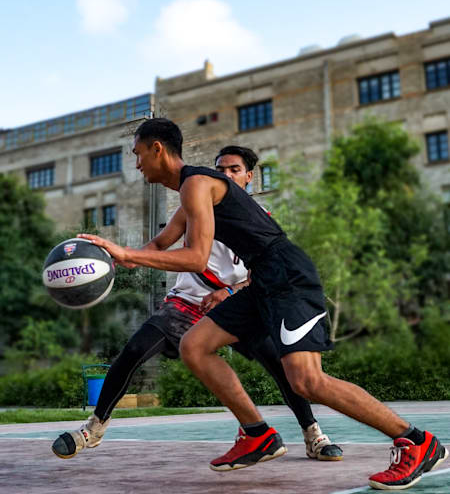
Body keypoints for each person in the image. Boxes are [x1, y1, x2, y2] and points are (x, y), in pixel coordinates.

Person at [65, 118, 447, 490]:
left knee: (308, 380)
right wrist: (114, 259)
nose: (137, 164)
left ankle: (415, 441)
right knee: (195, 346)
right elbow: (160, 246)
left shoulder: (197, 183)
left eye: (138, 154)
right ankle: (257, 434)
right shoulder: (190, 191)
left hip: (286, 276)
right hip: (263, 279)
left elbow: (196, 258)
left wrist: (129, 252)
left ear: (157, 149)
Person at [52, 143, 342, 463]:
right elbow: (162, 242)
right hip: (189, 298)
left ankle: (312, 433)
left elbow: (265, 274)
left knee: (281, 364)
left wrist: (230, 293)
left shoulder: (261, 220)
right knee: (135, 348)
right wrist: (127, 258)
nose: (225, 174)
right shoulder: (193, 201)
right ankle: (93, 427)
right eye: (220, 169)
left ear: (249, 177)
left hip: (241, 304)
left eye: (234, 169)